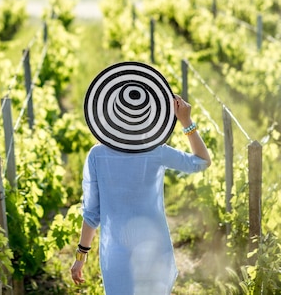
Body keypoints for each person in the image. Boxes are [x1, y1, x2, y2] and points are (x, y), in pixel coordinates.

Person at [70, 93, 211, 294]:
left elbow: (92, 213)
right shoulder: (156, 151)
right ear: (148, 116)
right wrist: (186, 120)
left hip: (115, 253)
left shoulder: (97, 154)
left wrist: (80, 257)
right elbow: (202, 161)